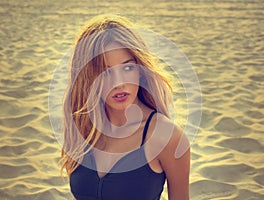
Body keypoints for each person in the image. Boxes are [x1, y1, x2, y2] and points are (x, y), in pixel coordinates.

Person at [61, 14, 190, 200]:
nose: (118, 83)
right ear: (88, 79)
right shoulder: (82, 129)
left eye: (127, 68)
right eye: (105, 72)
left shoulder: (167, 137)